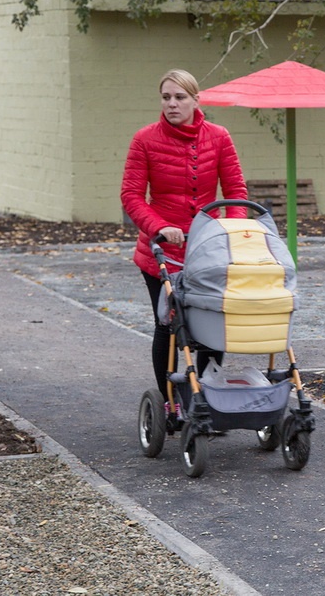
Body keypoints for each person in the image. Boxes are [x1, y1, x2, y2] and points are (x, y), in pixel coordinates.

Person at [121, 69, 248, 400]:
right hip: (161, 252)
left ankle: (207, 396)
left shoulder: (219, 137)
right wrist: (159, 227)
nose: (172, 104)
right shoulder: (144, 139)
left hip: (207, 250)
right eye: (166, 97)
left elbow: (235, 190)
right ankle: (171, 402)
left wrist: (231, 230)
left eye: (179, 97)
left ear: (195, 99)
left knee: (211, 324)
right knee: (169, 326)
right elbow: (131, 195)